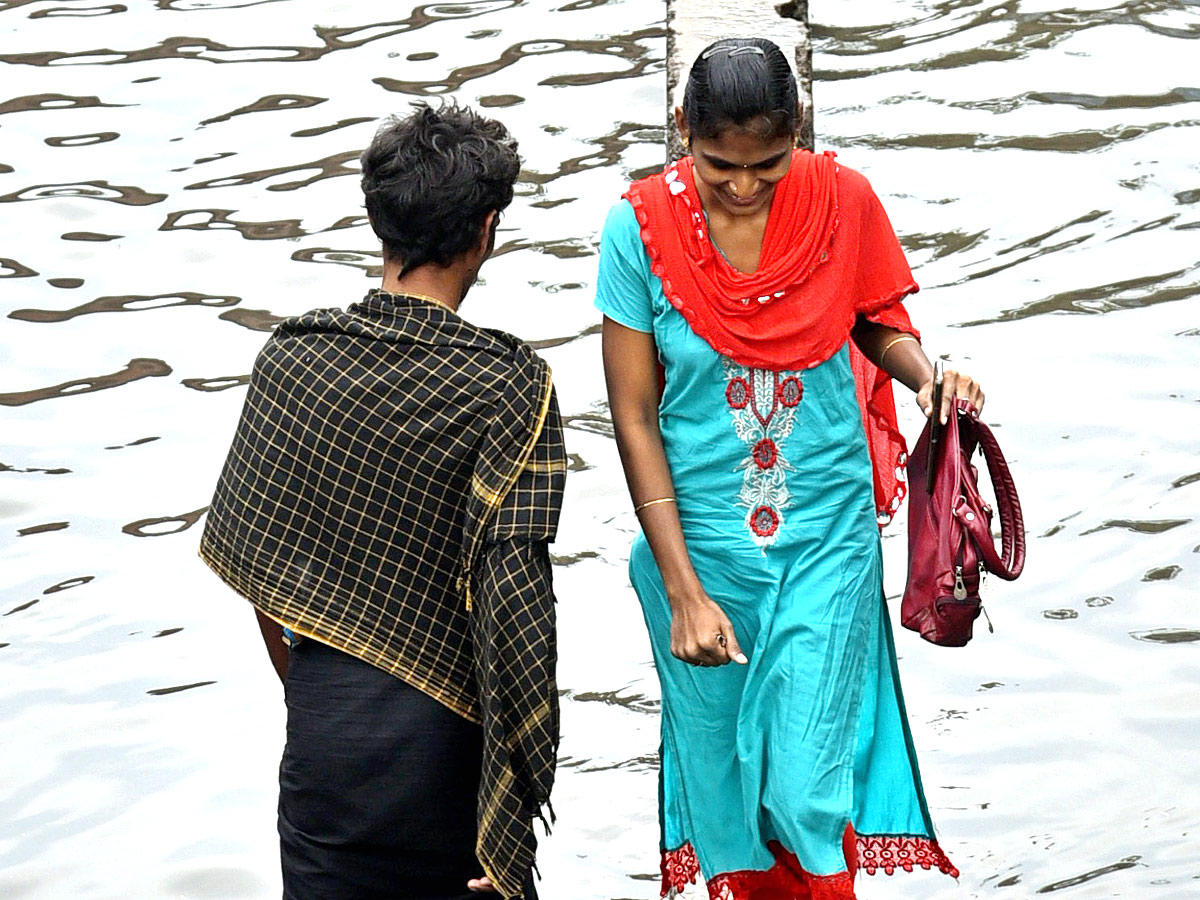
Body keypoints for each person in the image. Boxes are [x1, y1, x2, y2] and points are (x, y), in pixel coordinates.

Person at [595, 38, 985, 900]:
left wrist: (928, 377)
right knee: (731, 798)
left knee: (808, 790)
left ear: (799, 131)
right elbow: (632, 415)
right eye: (717, 165)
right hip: (697, 546)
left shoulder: (842, 200)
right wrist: (685, 590)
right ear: (680, 130)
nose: (742, 186)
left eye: (768, 164)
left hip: (825, 537)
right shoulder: (637, 229)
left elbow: (873, 324)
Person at [199, 101, 566, 900]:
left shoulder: (293, 363)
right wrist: (518, 796)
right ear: (487, 228)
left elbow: (259, 564)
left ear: (380, 222)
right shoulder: (510, 385)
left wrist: (309, 686)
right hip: (450, 755)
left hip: (324, 739)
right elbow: (517, 606)